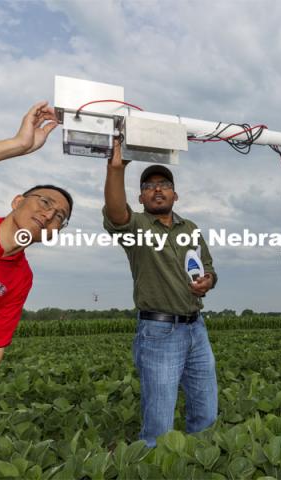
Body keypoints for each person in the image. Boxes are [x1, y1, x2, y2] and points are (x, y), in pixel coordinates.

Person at [103, 142, 218, 447]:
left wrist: (208, 280)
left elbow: (208, 267)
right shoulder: (136, 227)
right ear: (141, 197)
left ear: (175, 194)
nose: (157, 190)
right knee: (159, 423)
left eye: (164, 185)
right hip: (158, 331)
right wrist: (116, 170)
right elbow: (116, 212)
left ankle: (198, 463)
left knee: (206, 412)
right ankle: (154, 467)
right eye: (149, 186)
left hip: (197, 328)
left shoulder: (190, 227)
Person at [0, 102, 73, 396]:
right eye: (45, 203)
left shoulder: (21, 277)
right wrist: (18, 145)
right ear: (17, 201)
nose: (49, 215)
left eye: (60, 217)